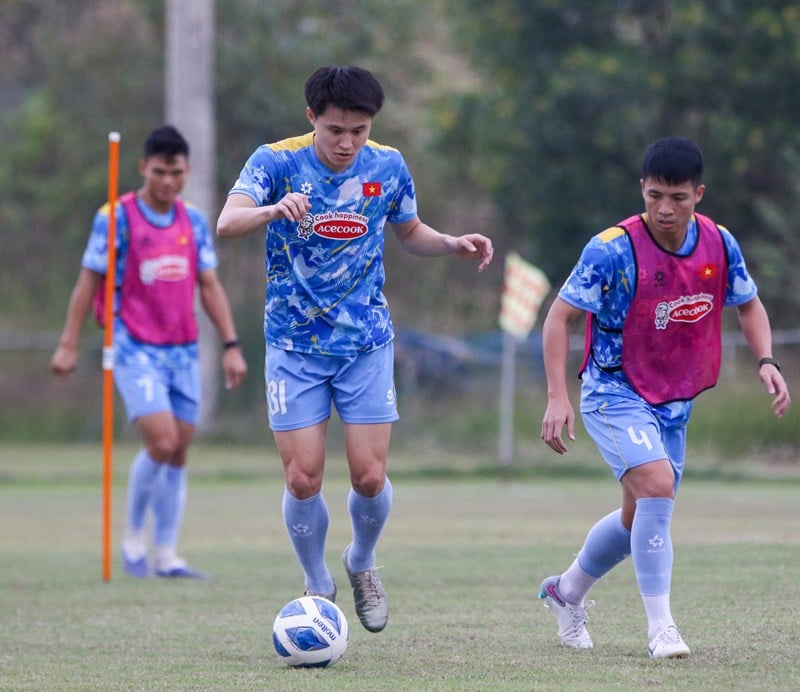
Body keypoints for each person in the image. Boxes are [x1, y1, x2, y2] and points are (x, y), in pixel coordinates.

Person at [216, 65, 493, 633]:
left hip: (365, 341)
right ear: (311, 118)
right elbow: (226, 222)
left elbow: (410, 231)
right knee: (303, 478)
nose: (346, 143)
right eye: (335, 130)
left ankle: (361, 562)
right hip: (293, 343)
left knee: (368, 476)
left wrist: (450, 243)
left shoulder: (388, 166)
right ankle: (317, 582)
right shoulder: (275, 161)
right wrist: (272, 210)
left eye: (359, 131)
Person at [538, 137, 790, 659]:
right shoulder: (611, 248)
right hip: (613, 391)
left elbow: (749, 305)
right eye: (655, 196)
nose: (665, 209)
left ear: (698, 193)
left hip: (673, 401)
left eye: (678, 197)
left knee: (639, 516)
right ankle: (662, 629)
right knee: (657, 487)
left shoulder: (719, 243)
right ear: (642, 191)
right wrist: (557, 395)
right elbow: (558, 318)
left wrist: (767, 360)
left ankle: (565, 593)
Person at [51, 125, 248, 579]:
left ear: (186, 171)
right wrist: (67, 342)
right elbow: (88, 281)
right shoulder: (115, 217)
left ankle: (166, 555)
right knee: (161, 441)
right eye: (159, 171)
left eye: (176, 173)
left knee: (180, 450)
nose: (167, 181)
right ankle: (133, 541)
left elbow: (210, 285)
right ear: (143, 167)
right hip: (133, 345)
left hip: (183, 349)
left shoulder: (193, 220)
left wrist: (232, 345)